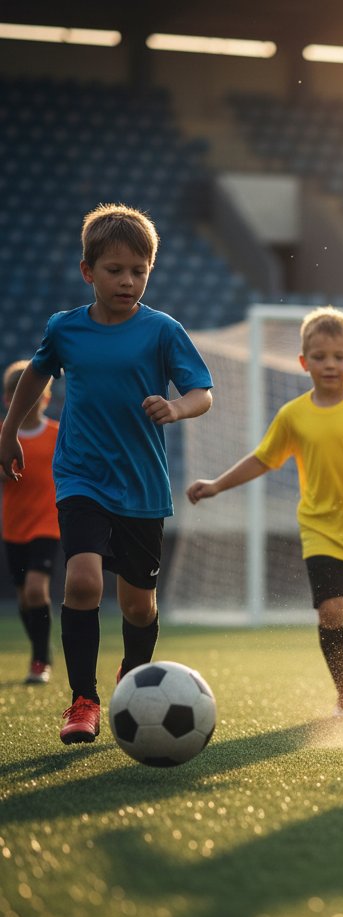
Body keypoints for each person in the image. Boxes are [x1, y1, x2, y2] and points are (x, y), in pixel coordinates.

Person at [0, 203, 213, 744]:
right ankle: (83, 700)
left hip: (142, 484)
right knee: (83, 581)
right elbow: (35, 375)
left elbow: (200, 393)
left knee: (139, 604)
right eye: (115, 270)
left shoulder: (163, 330)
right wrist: (7, 431)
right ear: (87, 271)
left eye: (139, 271)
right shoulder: (64, 329)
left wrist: (177, 408)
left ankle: (133, 678)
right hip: (82, 476)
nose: (128, 280)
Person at [187, 307, 343, 718]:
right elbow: (262, 459)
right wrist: (217, 484)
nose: (330, 364)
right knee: (331, 613)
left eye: (340, 356)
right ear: (304, 362)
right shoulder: (294, 415)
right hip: (319, 529)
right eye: (321, 357)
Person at [2, 360, 60, 685]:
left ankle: (40, 662)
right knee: (25, 598)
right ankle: (40, 647)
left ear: (47, 397)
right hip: (14, 527)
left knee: (38, 590)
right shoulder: (3, 434)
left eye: (40, 393)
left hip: (48, 524)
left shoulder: (57, 433)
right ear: (10, 398)